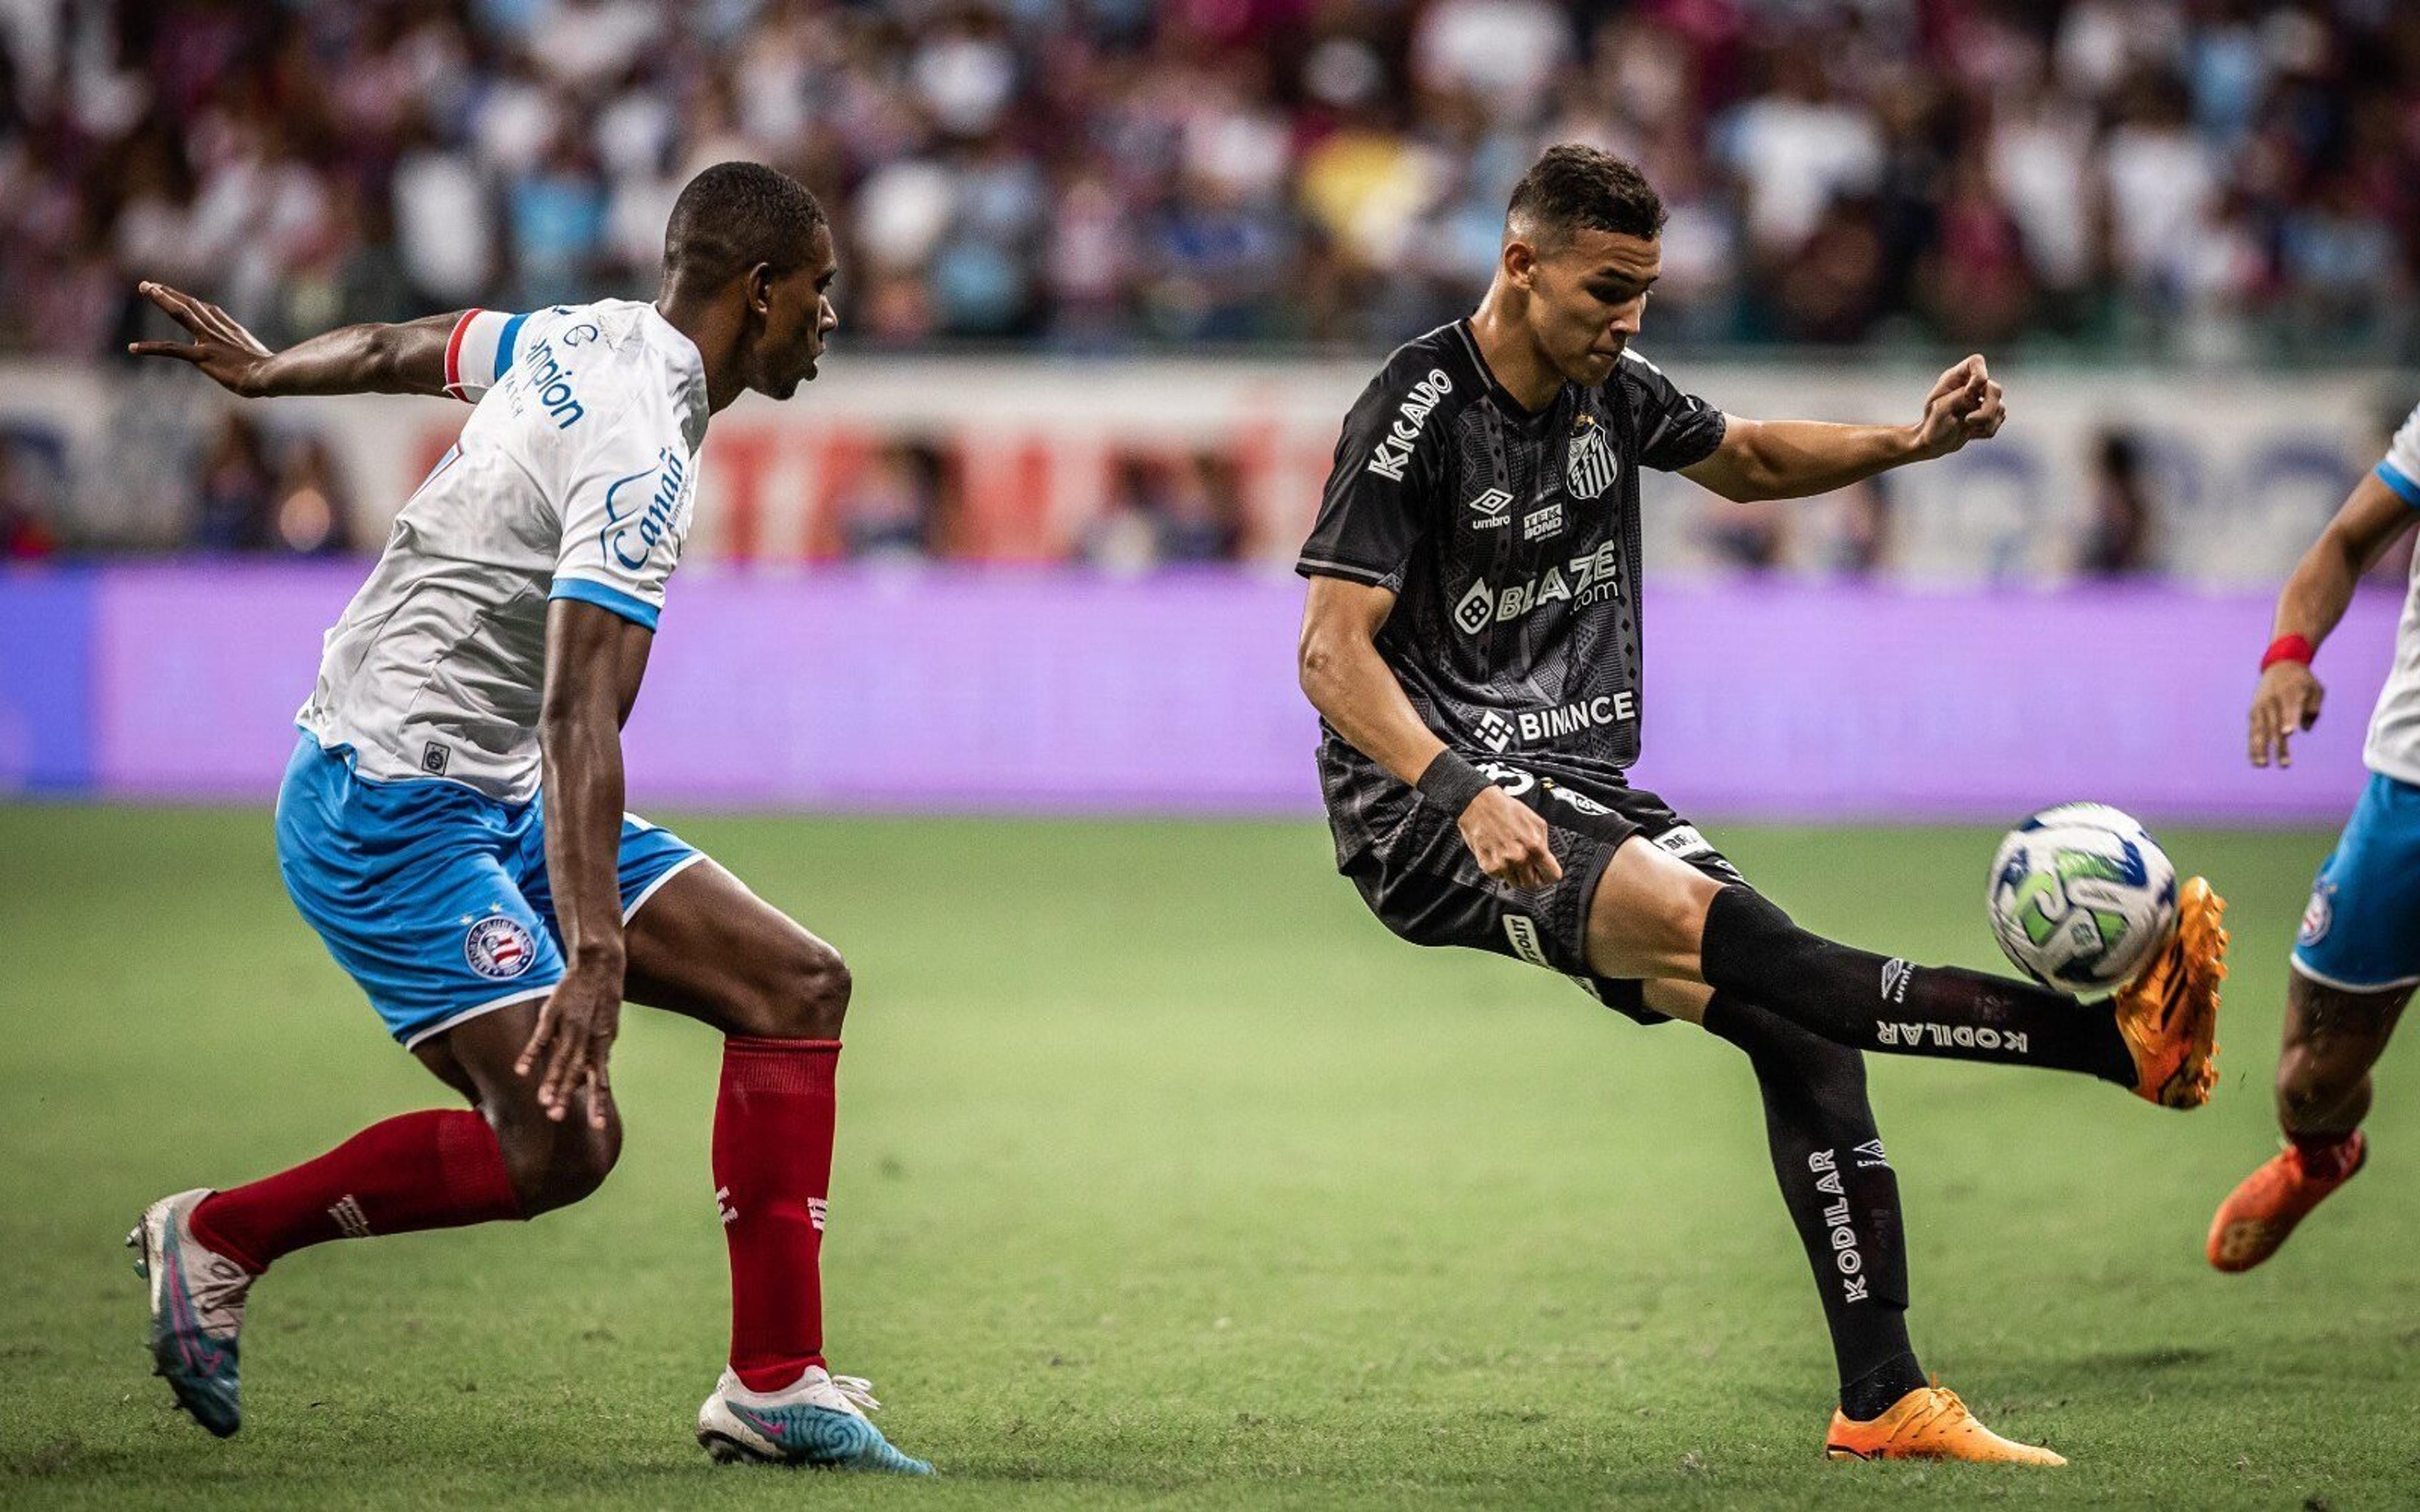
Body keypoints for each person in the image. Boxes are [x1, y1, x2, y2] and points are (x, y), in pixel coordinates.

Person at [1293, 144, 2228, 1466]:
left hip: (1572, 783)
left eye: (1646, 293)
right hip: (1430, 814)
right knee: (1784, 961)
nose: (1629, 319)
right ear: (1521, 264)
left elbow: (1745, 458)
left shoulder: (1606, 384)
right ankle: (2112, 1049)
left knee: (1804, 1035)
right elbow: (1331, 657)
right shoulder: (1416, 405)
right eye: (1607, 288)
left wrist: (1911, 441)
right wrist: (1455, 794)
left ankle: (1883, 1396)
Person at [123, 161, 930, 1474]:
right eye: (822, 292)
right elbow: (578, 713)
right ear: (761, 288)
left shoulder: (582, 332)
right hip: (385, 805)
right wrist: (598, 951)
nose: (830, 317)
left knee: (797, 985)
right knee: (561, 1142)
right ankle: (221, 1237)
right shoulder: (641, 454)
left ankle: (774, 1381)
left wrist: (276, 374)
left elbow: (401, 347)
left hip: (491, 789)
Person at [2209, 401, 2420, 1272]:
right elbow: (2340, 547)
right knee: (2310, 1078)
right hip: (2411, 794)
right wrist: (2289, 654)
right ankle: (2323, 1155)